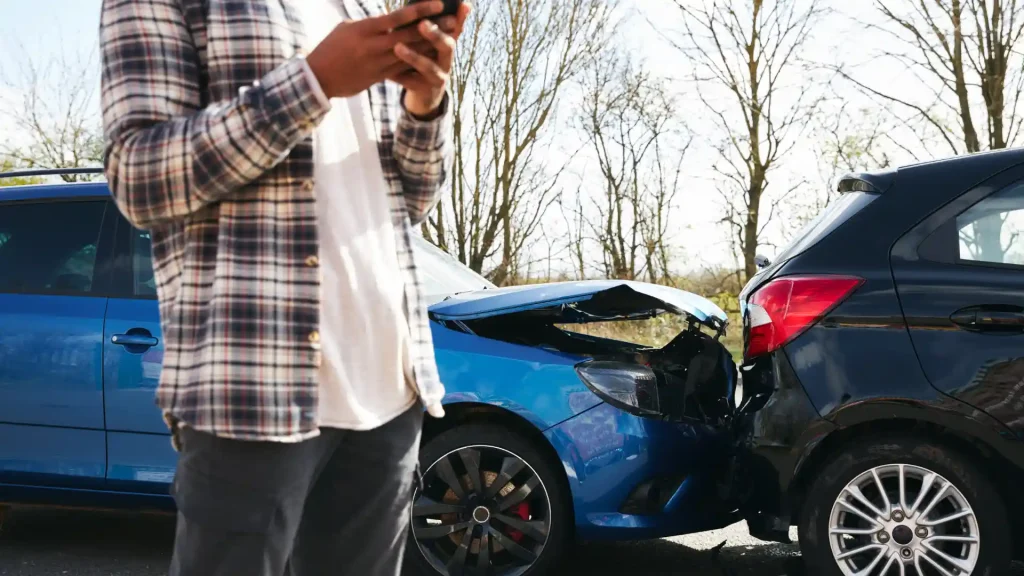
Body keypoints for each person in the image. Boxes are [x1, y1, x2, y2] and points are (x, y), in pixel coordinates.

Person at [98, 0, 470, 574]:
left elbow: (411, 201)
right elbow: (138, 178)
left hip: (390, 383)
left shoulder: (362, 7)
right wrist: (314, 82)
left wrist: (425, 105)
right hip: (255, 382)